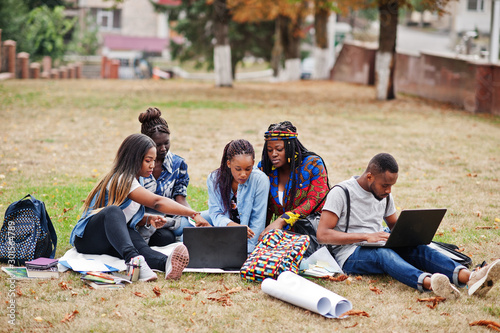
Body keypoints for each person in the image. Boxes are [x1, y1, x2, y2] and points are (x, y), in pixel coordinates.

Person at [317, 152, 500, 298]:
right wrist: (366, 236)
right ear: (370, 176)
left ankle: (470, 278)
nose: (388, 191)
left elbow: (394, 224)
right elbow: (323, 234)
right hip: (348, 254)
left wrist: (412, 232)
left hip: (377, 242)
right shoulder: (341, 192)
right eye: (385, 185)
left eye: (392, 186)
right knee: (384, 254)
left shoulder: (384, 194)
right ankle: (430, 283)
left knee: (419, 248)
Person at [69, 133, 209, 282]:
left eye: (154, 160)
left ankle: (166, 263)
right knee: (112, 211)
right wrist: (193, 214)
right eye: (148, 160)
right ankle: (135, 262)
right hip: (88, 239)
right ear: (134, 159)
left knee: (142, 249)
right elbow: (157, 202)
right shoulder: (121, 178)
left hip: (112, 238)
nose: (152, 165)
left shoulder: (139, 180)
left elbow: (124, 218)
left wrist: (148, 219)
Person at [138, 107, 209, 242]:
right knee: (165, 238)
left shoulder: (178, 164)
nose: (163, 148)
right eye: (158, 145)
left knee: (208, 218)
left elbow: (180, 199)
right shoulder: (138, 165)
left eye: (166, 143)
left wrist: (195, 216)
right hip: (144, 221)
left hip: (171, 220)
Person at [258, 121, 329, 244]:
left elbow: (314, 200)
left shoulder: (312, 164)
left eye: (279, 149)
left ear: (291, 147)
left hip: (311, 234)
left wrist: (282, 220)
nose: (273, 154)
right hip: (280, 237)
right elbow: (264, 207)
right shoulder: (265, 169)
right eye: (269, 150)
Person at [203, 139, 269, 253]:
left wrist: (246, 250)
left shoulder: (260, 180)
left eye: (248, 169)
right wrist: (234, 227)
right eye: (238, 169)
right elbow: (216, 213)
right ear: (229, 164)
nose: (243, 174)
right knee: (185, 229)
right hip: (223, 224)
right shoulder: (214, 179)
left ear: (253, 163)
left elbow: (257, 221)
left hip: (247, 233)